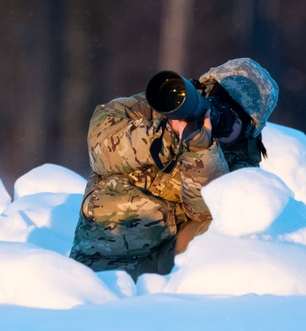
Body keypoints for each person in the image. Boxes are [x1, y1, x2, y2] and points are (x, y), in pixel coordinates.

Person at [69, 58, 278, 276]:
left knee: (232, 225)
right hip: (95, 258)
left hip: (164, 266)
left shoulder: (242, 163)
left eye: (231, 117)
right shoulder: (161, 106)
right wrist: (166, 134)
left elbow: (204, 209)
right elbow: (101, 146)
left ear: (248, 129)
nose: (217, 118)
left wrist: (201, 148)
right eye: (217, 102)